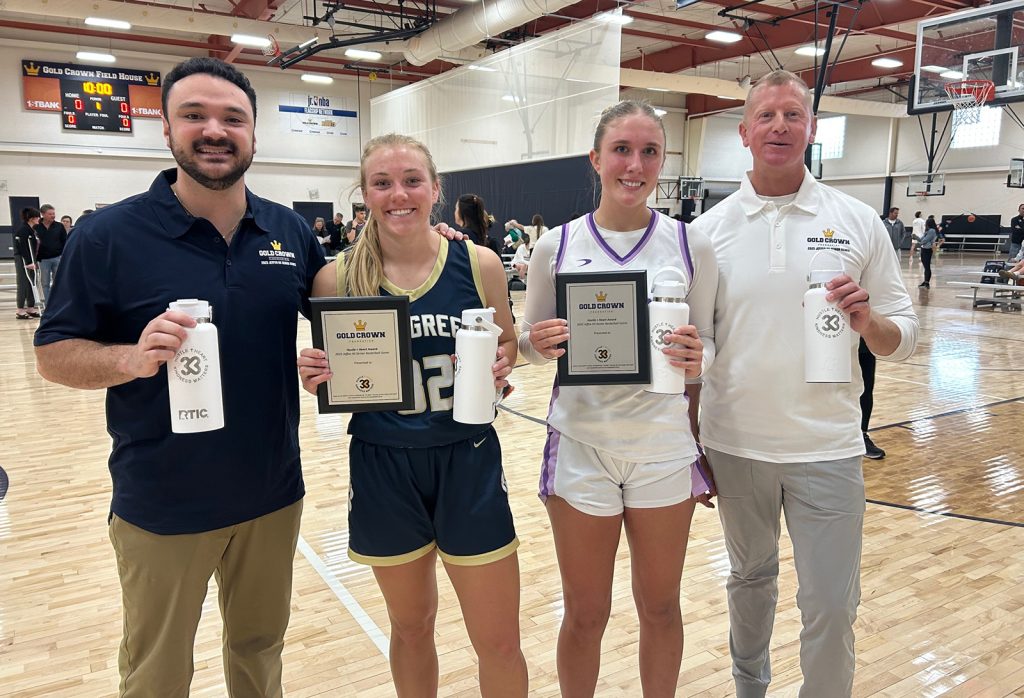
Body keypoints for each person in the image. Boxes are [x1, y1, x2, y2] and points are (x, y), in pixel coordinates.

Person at [33, 57, 326, 698]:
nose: (214, 130)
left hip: (272, 495)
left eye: (233, 118)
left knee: (259, 657)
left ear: (254, 134)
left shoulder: (290, 231)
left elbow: (349, 318)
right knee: (156, 672)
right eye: (194, 115)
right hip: (162, 501)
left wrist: (432, 249)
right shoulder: (107, 236)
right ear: (166, 129)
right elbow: (53, 353)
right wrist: (128, 361)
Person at [688, 69, 919, 697]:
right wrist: (690, 440)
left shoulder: (858, 221)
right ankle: (748, 689)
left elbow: (903, 337)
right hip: (736, 444)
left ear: (812, 129)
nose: (780, 125)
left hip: (827, 447)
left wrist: (869, 321)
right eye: (767, 115)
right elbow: (701, 342)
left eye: (793, 114)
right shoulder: (707, 233)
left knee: (830, 605)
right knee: (749, 583)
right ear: (744, 132)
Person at [297, 133, 528, 698]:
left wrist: (501, 362)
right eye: (382, 183)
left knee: (498, 640)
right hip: (382, 465)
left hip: (467, 460)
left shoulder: (479, 264)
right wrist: (316, 372)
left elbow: (510, 344)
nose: (398, 194)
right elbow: (333, 372)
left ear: (435, 190)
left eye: (411, 181)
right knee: (411, 626)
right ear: (365, 193)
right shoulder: (337, 279)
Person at [519, 100, 717, 697]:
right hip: (582, 446)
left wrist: (698, 354)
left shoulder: (691, 244)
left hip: (662, 448)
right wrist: (541, 342)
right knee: (585, 614)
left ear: (663, 161)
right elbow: (527, 343)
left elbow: (710, 346)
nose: (635, 165)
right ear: (596, 159)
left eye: (649, 151)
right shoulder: (555, 245)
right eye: (622, 150)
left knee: (660, 608)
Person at [33, 203, 68, 304]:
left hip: (57, 258)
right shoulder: (36, 227)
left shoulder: (59, 226)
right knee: (45, 283)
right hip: (43, 259)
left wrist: (63, 255)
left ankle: (58, 302)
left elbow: (64, 241)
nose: (53, 216)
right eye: (50, 214)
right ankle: (48, 304)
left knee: (58, 281)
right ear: (43, 214)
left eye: (53, 213)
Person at [13, 207, 41, 319]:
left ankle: (30, 307)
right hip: (23, 259)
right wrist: (28, 262)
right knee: (23, 283)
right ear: (31, 218)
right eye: (37, 217)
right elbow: (23, 247)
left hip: (31, 258)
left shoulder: (31, 230)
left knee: (31, 284)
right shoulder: (23, 230)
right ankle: (20, 310)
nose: (39, 219)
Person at [456, 193, 503, 258]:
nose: (455, 212)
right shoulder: (492, 242)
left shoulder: (459, 236)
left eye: (456, 208)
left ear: (461, 212)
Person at [918, 216, 939, 289]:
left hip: (927, 249)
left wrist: (920, 241)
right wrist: (920, 240)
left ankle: (927, 283)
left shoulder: (932, 231)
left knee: (927, 267)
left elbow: (924, 240)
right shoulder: (928, 230)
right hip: (924, 249)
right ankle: (925, 281)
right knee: (925, 266)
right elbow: (921, 239)